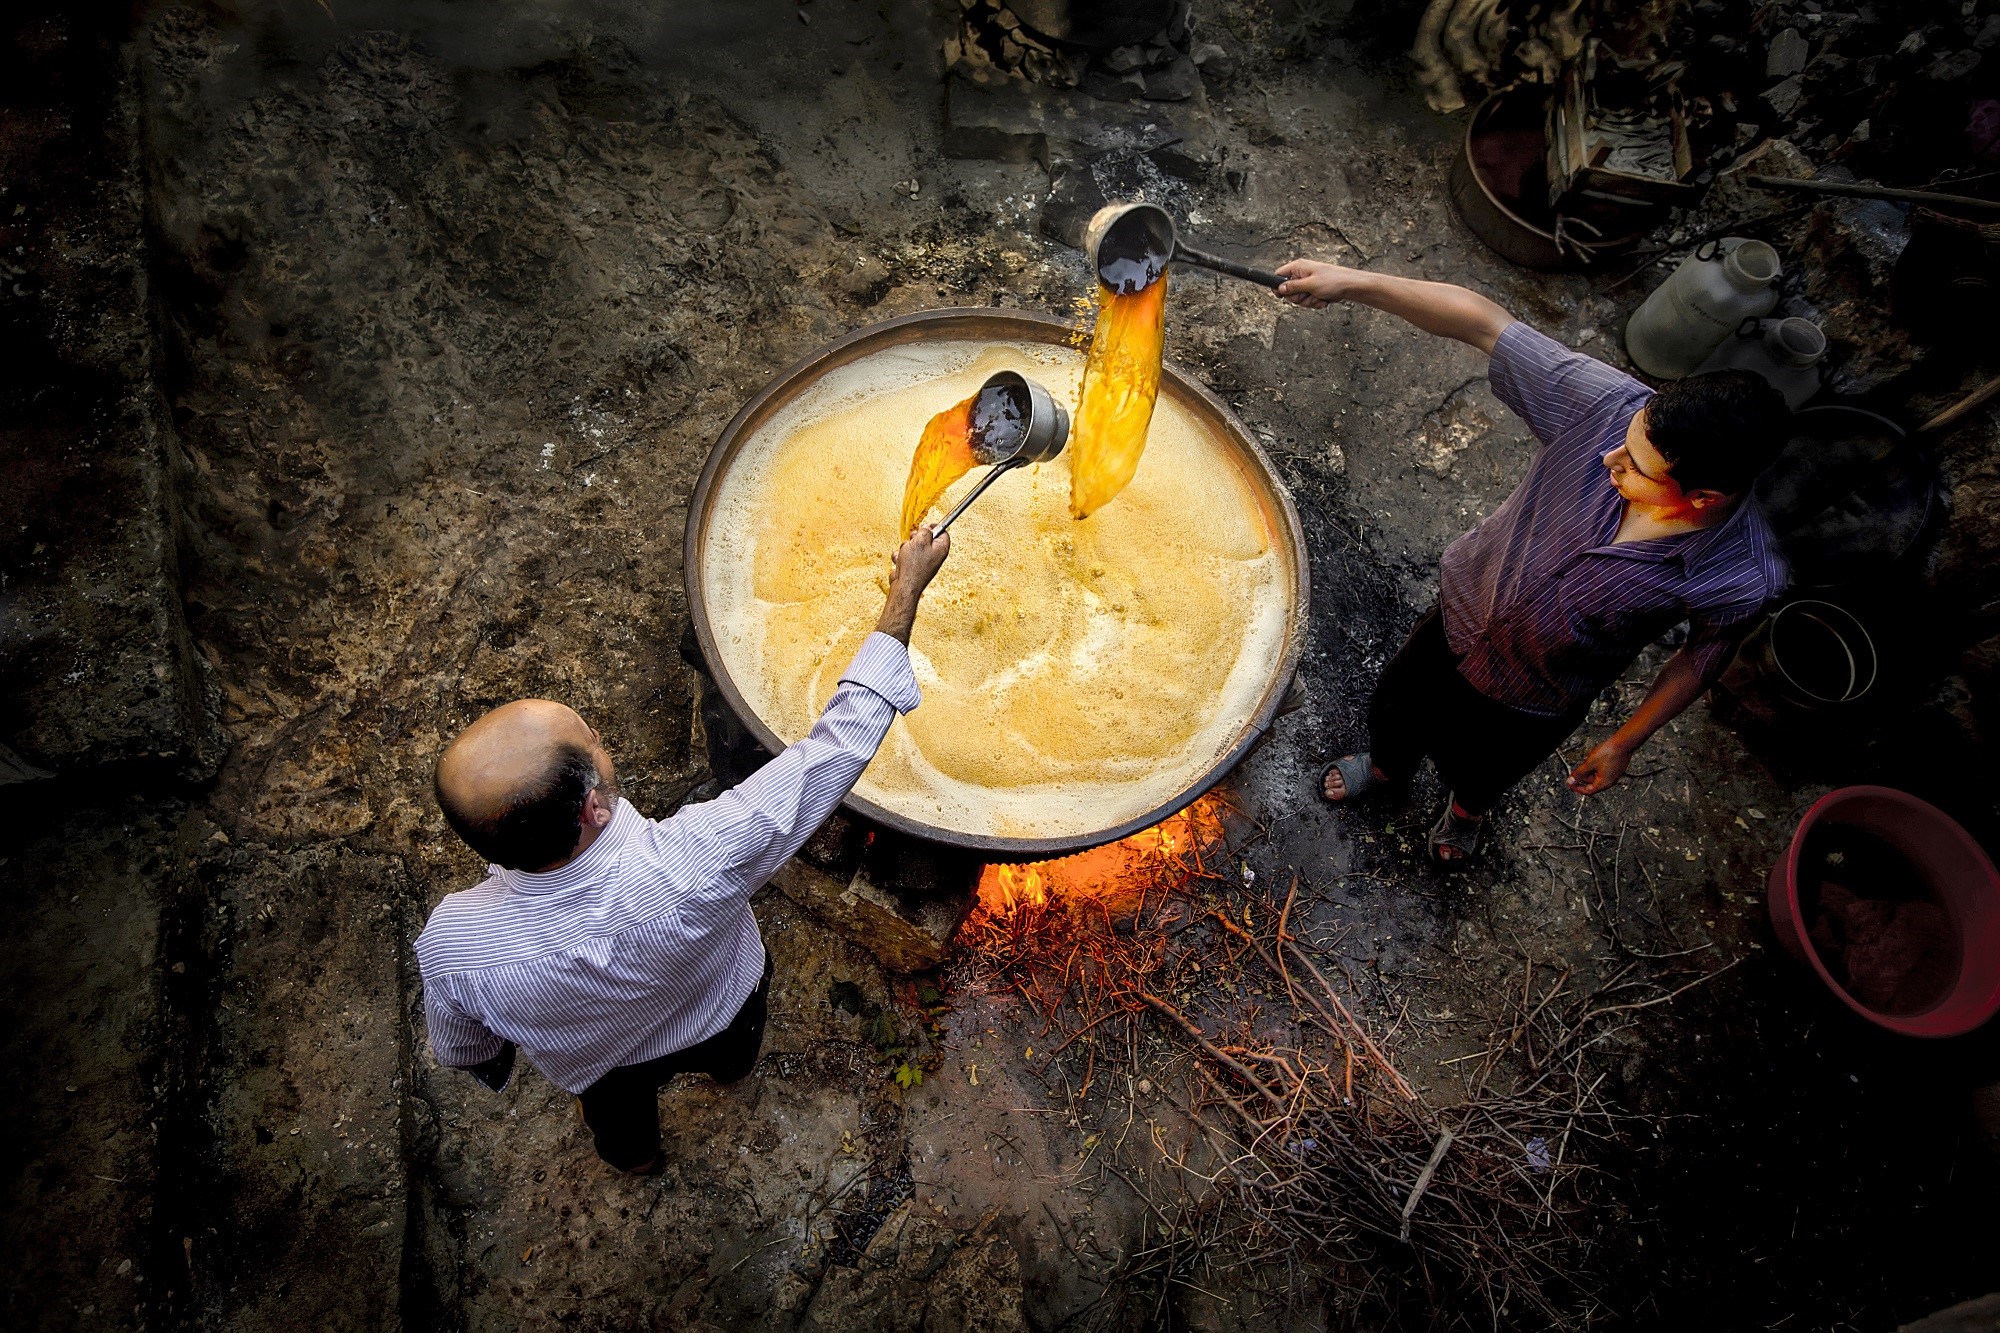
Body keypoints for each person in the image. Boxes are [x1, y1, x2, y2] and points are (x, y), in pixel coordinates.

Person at [414, 526, 951, 1173]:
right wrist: (905, 590)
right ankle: (727, 1075)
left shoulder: (451, 944)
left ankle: (638, 1161)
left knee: (620, 1126)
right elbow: (835, 749)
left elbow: (464, 1048)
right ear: (593, 808)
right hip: (720, 1012)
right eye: (595, 738)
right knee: (731, 1055)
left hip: (599, 1067)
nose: (601, 738)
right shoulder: (699, 857)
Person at [1272, 259, 1790, 864]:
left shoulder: (1742, 574)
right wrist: (1356, 283)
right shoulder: (1607, 406)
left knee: (1488, 768)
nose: (1609, 459)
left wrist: (1626, 741)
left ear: (1703, 498)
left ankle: (1465, 812)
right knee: (1395, 706)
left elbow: (1701, 658)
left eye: (1635, 466)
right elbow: (1487, 325)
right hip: (1458, 619)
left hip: (1534, 695)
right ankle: (1386, 770)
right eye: (1627, 438)